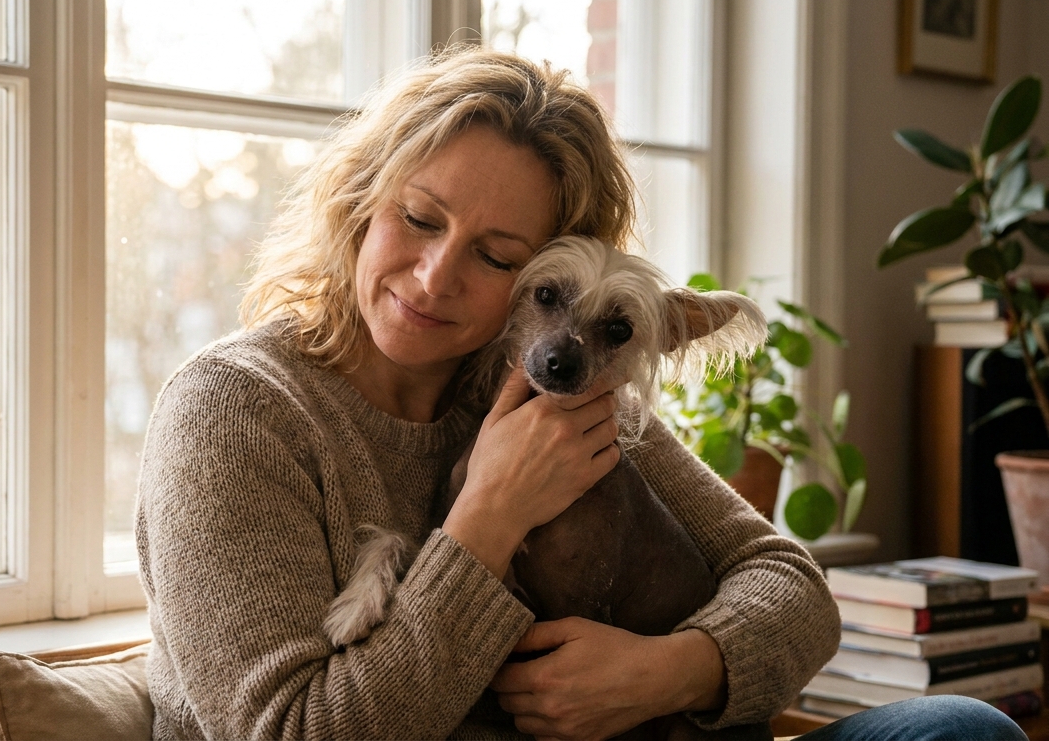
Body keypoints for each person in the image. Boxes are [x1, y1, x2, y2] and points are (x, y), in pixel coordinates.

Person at [134, 48, 1026, 740]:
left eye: (497, 257)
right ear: (362, 201)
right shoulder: (235, 411)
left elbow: (792, 588)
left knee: (961, 729)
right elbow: (291, 731)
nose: (435, 276)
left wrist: (667, 672)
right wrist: (488, 518)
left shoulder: (562, 390)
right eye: (419, 218)